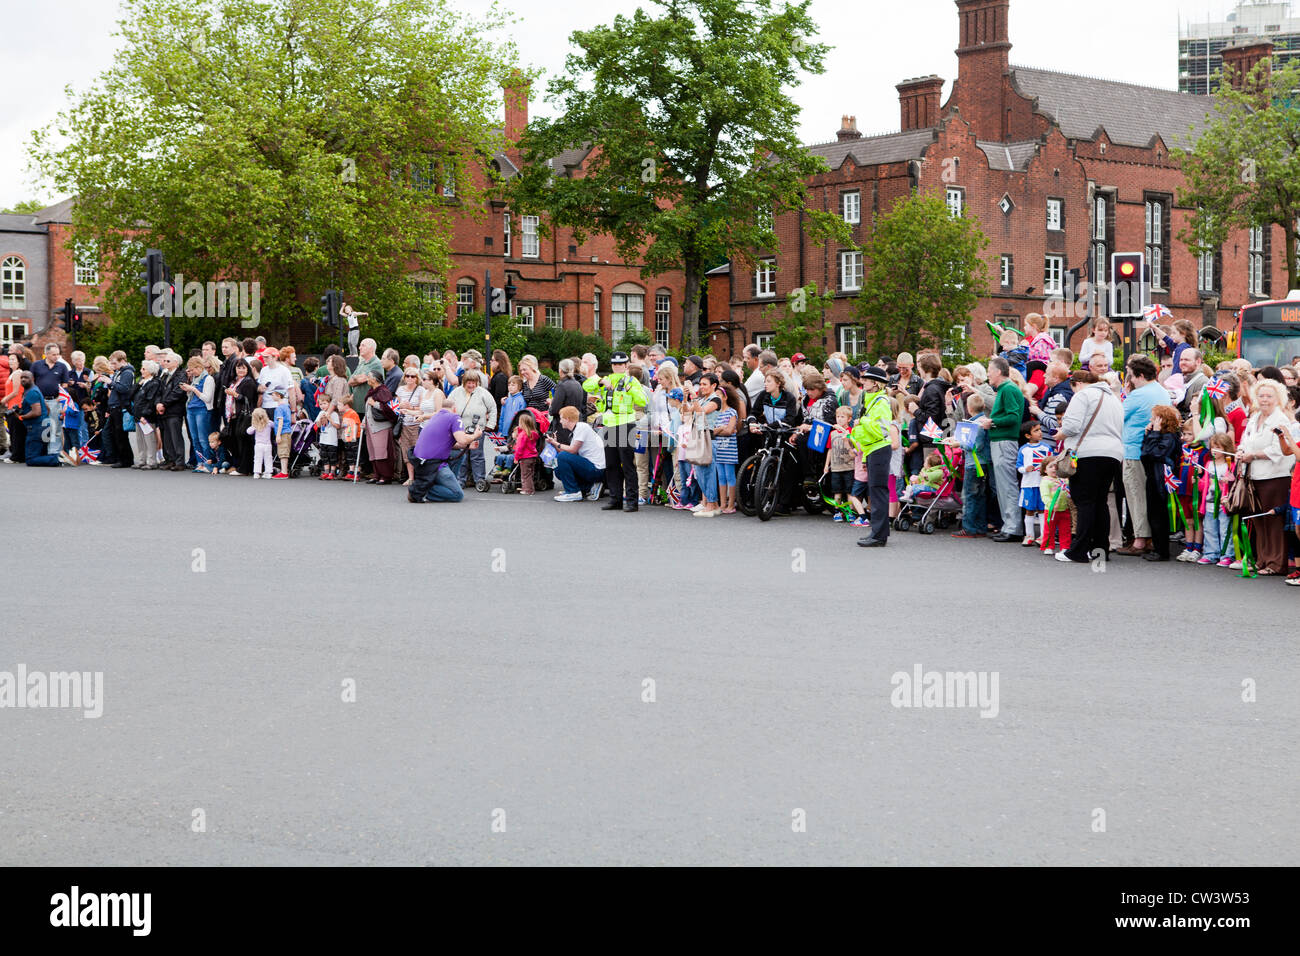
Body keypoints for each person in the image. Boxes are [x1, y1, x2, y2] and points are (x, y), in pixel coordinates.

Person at [1055, 370, 1124, 564]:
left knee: (1084, 501)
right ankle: (1100, 549)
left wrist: (1061, 434)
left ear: (1076, 384)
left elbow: (1071, 426)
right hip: (1113, 453)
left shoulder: (1082, 395)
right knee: (1100, 502)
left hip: (1088, 453)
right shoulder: (1114, 399)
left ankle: (1078, 550)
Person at [1237, 379, 1294, 574]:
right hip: (1254, 475)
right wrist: (1241, 451)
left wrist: (1252, 455)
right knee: (1258, 520)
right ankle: (1262, 560)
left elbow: (1279, 450)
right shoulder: (1254, 418)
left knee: (1273, 520)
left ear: (1278, 398)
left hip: (1275, 477)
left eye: (1269, 396)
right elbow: (1245, 439)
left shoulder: (1281, 420)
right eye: (1261, 396)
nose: (1264, 399)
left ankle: (1276, 564)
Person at [1116, 354, 1165, 556]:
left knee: (1135, 495)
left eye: (1131, 375)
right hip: (1152, 450)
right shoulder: (1161, 391)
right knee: (1149, 496)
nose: (1129, 380)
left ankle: (1139, 540)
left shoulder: (1138, 395)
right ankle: (1149, 537)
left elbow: (1118, 416)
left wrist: (1125, 395)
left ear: (1141, 375)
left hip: (1134, 449)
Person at [591, 351, 648, 512]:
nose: (617, 367)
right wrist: (601, 383)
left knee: (628, 464)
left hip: (625, 425)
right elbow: (587, 385)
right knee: (611, 464)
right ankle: (615, 499)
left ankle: (631, 500)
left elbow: (643, 401)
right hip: (609, 424)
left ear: (626, 365)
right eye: (614, 365)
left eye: (620, 364)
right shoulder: (607, 380)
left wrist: (630, 389)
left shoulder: (631, 381)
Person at [980, 357, 1026, 543]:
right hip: (1002, 440)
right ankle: (1009, 525)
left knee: (1006, 485)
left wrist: (993, 422)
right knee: (1003, 485)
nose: (988, 375)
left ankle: (1013, 527)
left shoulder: (1007, 390)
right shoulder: (1006, 390)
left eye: (989, 370)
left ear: (998, 371)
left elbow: (1014, 418)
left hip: (1005, 441)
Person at [852, 366, 894, 547]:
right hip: (872, 450)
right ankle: (879, 532)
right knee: (876, 492)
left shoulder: (881, 402)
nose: (864, 382)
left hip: (879, 449)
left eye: (867, 380)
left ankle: (878, 535)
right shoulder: (872, 401)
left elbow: (882, 430)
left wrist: (862, 422)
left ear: (876, 383)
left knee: (878, 492)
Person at [407, 408, 482, 503]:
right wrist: (475, 435)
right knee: (458, 495)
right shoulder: (454, 417)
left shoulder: (435, 417)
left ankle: (424, 486)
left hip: (421, 462)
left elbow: (445, 443)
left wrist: (468, 445)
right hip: (434, 464)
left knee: (459, 454)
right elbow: (462, 440)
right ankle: (422, 490)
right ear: (455, 408)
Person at [1139, 404, 1182, 562]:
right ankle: (1157, 548)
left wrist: (1154, 434)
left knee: (1159, 516)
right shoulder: (1156, 435)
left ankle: (1162, 551)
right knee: (1153, 514)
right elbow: (1144, 454)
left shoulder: (1169, 437)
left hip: (1161, 480)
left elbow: (1155, 453)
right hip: (1152, 477)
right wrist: (1149, 435)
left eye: (1153, 417)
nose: (1150, 420)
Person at [447, 370, 497, 487]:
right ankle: (460, 480)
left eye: (473, 383)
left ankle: (479, 480)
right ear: (464, 382)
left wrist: (491, 424)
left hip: (477, 430)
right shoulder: (456, 393)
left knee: (477, 455)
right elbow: (448, 407)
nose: (471, 385)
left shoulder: (483, 393)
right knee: (462, 455)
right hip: (460, 429)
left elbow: (493, 408)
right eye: (468, 383)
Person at [548, 405, 606, 501]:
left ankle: (573, 492)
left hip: (596, 468)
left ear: (568, 419)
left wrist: (557, 444)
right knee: (558, 469)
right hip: (591, 466)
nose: (560, 421)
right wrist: (554, 443)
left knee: (562, 457)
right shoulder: (577, 429)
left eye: (561, 418)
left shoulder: (581, 427)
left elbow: (572, 450)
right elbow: (569, 453)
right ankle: (589, 487)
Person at [1197, 432, 1236, 567]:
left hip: (1223, 504)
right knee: (1209, 529)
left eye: (1218, 447)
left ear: (1226, 448)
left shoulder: (1230, 465)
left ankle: (1227, 555)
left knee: (1225, 530)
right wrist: (1198, 481)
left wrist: (1228, 481)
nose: (1214, 450)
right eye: (1213, 447)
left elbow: (1234, 483)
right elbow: (1204, 485)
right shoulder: (1208, 464)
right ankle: (1211, 553)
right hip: (1208, 503)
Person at [1016, 420, 1052, 546]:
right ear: (1028, 435)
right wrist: (1025, 469)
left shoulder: (1046, 448)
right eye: (1036, 430)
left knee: (1043, 510)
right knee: (1029, 510)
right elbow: (1018, 466)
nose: (1040, 432)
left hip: (1043, 484)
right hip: (1028, 485)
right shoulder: (1023, 449)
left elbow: (1051, 463)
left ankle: (1044, 536)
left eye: (1040, 429)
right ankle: (1029, 535)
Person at [361, 368, 398, 485]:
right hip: (371, 426)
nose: (367, 379)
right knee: (373, 451)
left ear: (374, 379)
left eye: (369, 376)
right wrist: (364, 421)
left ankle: (386, 476)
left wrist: (375, 404)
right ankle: (377, 474)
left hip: (381, 426)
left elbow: (390, 409)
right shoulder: (372, 391)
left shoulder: (383, 391)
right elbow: (367, 409)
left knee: (381, 451)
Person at [223, 358, 259, 476]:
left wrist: (234, 394)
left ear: (248, 369)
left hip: (244, 416)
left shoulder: (248, 382)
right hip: (233, 415)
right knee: (232, 439)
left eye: (243, 368)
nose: (241, 370)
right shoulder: (235, 381)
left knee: (243, 442)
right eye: (239, 367)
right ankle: (239, 465)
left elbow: (248, 399)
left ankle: (244, 468)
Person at [16, 372, 60, 466]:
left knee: (31, 459)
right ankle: (58, 458)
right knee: (42, 454)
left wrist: (22, 416)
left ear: (32, 379)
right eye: (22, 377)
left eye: (26, 377)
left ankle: (58, 458)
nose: (23, 379)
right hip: (44, 425)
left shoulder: (31, 392)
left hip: (36, 428)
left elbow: (37, 412)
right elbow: (47, 407)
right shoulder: (36, 389)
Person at [180, 356, 216, 472]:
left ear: (199, 367)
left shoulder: (208, 379)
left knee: (203, 438)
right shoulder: (194, 379)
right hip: (191, 409)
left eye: (193, 369)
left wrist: (193, 389)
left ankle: (207, 463)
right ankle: (199, 462)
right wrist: (188, 390)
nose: (191, 372)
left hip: (202, 410)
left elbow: (207, 398)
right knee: (194, 439)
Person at [131, 360, 163, 469]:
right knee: (140, 440)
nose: (141, 371)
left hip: (147, 416)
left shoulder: (154, 383)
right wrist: (137, 385)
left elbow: (151, 400)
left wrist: (145, 415)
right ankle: (142, 459)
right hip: (138, 415)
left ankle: (151, 461)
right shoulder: (142, 382)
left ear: (150, 370)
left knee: (149, 439)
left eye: (143, 369)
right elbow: (130, 395)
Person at [1038, 458, 1071, 556]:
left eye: (1056, 467)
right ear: (1045, 470)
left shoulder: (1063, 480)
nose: (1054, 469)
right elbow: (1045, 495)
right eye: (1050, 466)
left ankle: (1065, 547)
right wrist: (1051, 504)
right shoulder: (1045, 481)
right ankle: (1048, 546)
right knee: (1049, 530)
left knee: (1065, 530)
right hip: (1051, 510)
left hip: (1064, 509)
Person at [247, 407, 275, 478]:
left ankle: (256, 472)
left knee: (257, 459)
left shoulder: (255, 425)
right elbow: (275, 425)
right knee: (268, 459)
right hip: (268, 445)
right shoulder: (269, 423)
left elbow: (248, 431)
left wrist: (253, 426)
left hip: (258, 445)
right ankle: (268, 472)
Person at [272, 391, 293, 478]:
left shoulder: (279, 408)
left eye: (273, 395)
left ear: (278, 396)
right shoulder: (286, 407)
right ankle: (284, 471)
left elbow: (280, 421)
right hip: (287, 431)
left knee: (283, 452)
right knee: (284, 451)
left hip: (282, 432)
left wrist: (278, 434)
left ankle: (284, 472)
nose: (272, 397)